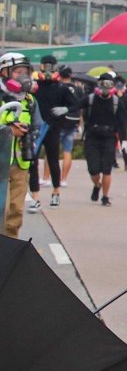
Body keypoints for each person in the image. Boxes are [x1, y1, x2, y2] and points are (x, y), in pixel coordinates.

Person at [1, 52, 40, 238]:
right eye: (17, 71)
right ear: (4, 73)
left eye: (26, 71)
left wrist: (29, 133)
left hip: (20, 161)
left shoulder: (30, 100)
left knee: (15, 210)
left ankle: (8, 248)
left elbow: (38, 125)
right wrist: (8, 130)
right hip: (1, 160)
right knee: (2, 207)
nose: (22, 76)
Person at [31, 55, 77, 209]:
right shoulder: (34, 86)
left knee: (53, 160)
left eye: (51, 66)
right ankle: (35, 196)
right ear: (41, 67)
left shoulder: (62, 88)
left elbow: (75, 105)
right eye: (46, 65)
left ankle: (56, 192)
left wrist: (66, 109)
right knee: (32, 162)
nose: (48, 69)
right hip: (36, 129)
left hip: (54, 128)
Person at [82, 73, 127, 206]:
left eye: (108, 85)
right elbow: (76, 106)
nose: (105, 88)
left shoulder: (117, 102)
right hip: (92, 137)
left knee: (107, 170)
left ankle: (105, 197)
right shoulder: (90, 99)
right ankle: (97, 185)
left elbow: (122, 122)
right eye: (102, 84)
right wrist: (66, 110)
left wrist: (123, 140)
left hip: (109, 138)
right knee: (93, 170)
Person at [55, 66, 83, 186]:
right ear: (71, 75)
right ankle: (64, 179)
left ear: (59, 75)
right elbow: (80, 106)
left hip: (60, 121)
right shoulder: (78, 89)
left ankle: (46, 178)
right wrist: (80, 122)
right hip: (74, 121)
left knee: (53, 151)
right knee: (68, 151)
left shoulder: (58, 88)